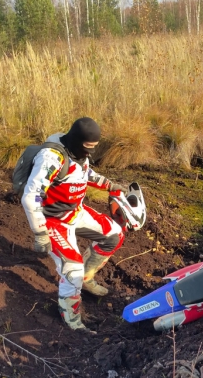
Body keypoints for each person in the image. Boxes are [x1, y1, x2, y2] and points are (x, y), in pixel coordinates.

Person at [21, 117, 126, 334]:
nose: (90, 152)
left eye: (93, 148)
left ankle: (86, 279)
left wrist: (110, 185)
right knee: (72, 269)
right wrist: (40, 233)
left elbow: (85, 173)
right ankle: (72, 319)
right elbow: (31, 196)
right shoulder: (51, 158)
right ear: (77, 141)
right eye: (88, 147)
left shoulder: (78, 153)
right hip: (53, 219)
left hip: (75, 211)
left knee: (114, 234)